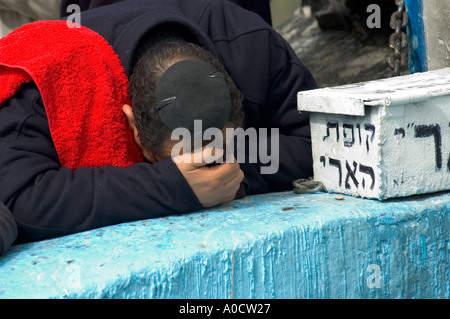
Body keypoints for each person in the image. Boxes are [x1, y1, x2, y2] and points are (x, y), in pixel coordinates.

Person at [0, 0, 316, 245]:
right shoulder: (52, 75)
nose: (206, 166)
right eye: (187, 158)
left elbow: (319, 141)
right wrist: (172, 185)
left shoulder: (250, 45)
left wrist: (234, 171)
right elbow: (17, 198)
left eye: (218, 151)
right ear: (132, 124)